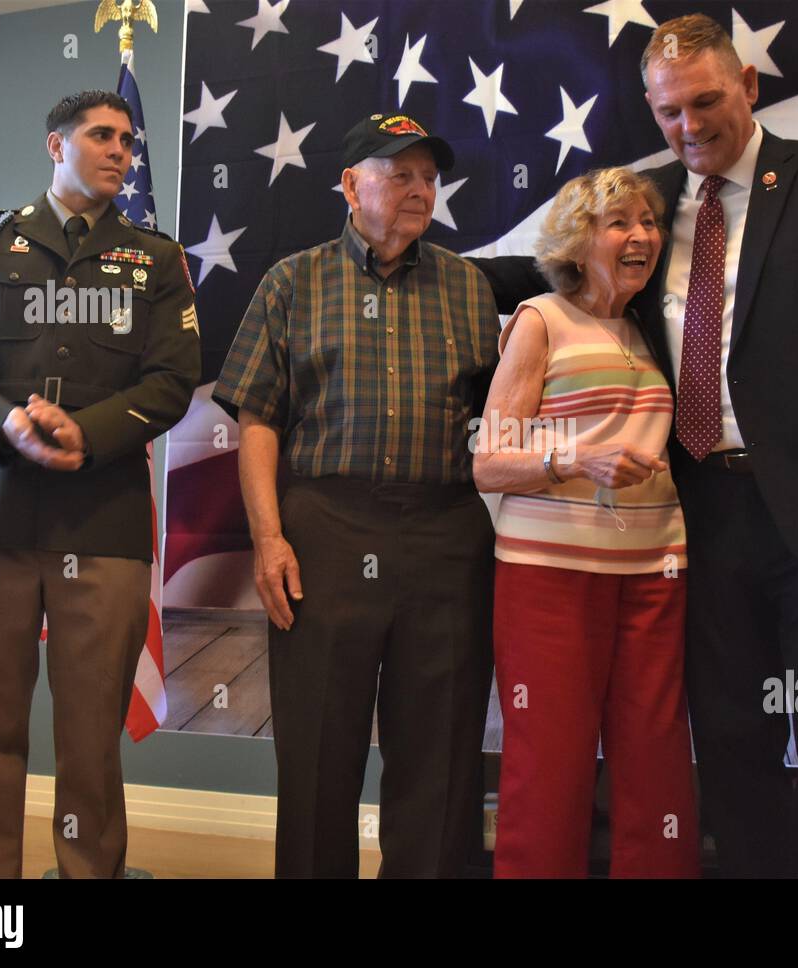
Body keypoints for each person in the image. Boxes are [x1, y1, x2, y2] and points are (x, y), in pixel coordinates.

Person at [473, 14, 798, 877]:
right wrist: (421, 261)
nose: (689, 126)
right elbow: (547, 268)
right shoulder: (644, 210)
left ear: (748, 86)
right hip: (699, 519)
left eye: (706, 101)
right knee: (728, 736)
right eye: (669, 112)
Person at [0, 90, 202, 878]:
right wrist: (8, 426)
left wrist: (94, 431)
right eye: (101, 136)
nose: (120, 150)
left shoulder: (157, 259)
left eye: (127, 140)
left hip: (102, 524)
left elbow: (173, 380)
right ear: (56, 145)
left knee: (89, 747)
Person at [213, 112, 500, 878]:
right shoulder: (293, 280)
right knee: (317, 748)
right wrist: (269, 539)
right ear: (350, 185)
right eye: (397, 173)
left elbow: (497, 421)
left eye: (428, 177)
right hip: (326, 531)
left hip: (445, 535)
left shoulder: (469, 286)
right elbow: (258, 419)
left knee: (440, 751)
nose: (418, 189)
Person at [474, 167, 698, 878]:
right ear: (579, 241)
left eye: (649, 222)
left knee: (657, 762)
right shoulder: (541, 320)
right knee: (552, 764)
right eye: (620, 223)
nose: (642, 236)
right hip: (549, 578)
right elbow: (489, 461)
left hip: (657, 574)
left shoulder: (653, 328)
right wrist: (578, 458)